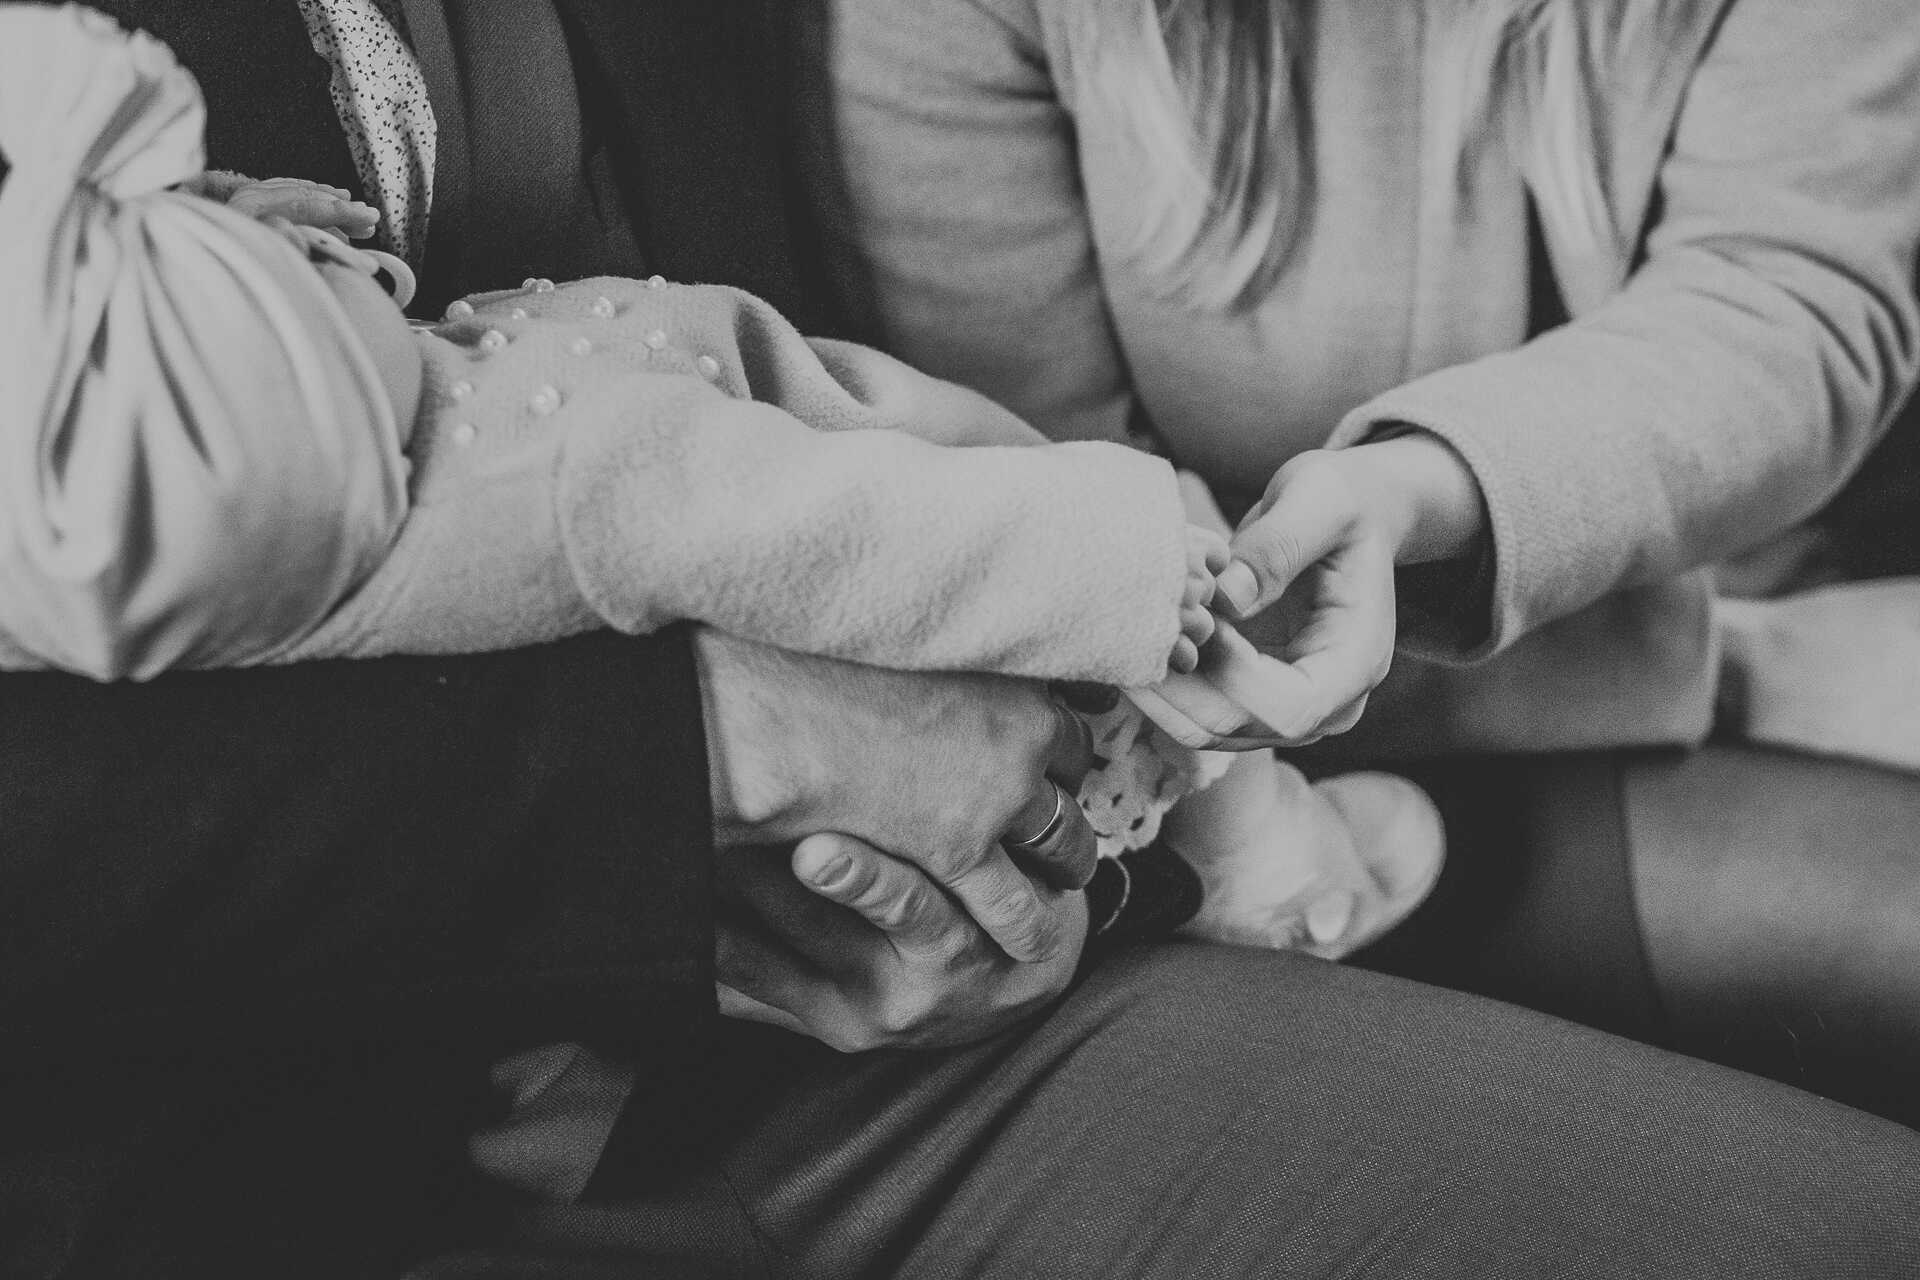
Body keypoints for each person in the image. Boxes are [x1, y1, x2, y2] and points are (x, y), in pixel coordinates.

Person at [6, 3, 1920, 1278]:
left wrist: (1432, 522)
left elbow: (1798, 297)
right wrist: (707, 762)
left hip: (1193, 727)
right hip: (531, 1028)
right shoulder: (328, 429)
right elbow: (1018, 490)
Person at [817, 0, 1920, 1107]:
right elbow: (1049, 490)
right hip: (1226, 798)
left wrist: (1417, 490)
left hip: (1668, 645)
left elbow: (1784, 305)